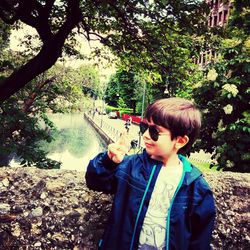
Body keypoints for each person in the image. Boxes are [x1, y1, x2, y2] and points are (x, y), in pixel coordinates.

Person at [85, 97, 216, 250]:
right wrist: (109, 160)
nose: (146, 135)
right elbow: (95, 180)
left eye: (155, 131)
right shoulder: (130, 166)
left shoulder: (196, 188)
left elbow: (199, 241)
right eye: (144, 127)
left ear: (180, 141)